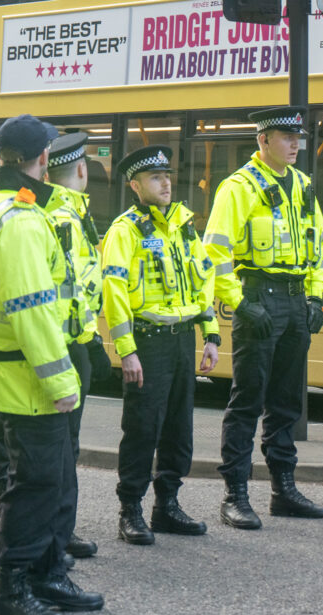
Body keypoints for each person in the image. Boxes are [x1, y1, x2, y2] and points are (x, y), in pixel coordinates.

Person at [0, 114, 102, 615]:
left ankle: (46, 573)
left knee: (45, 477)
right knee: (37, 485)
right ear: (44, 159)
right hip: (30, 379)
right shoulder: (22, 219)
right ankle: (14, 588)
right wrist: (62, 381)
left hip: (12, 373)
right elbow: (31, 310)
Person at [204, 107, 323, 529]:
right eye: (285, 137)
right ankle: (235, 495)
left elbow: (318, 245)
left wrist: (314, 298)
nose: (295, 144)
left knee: (287, 403)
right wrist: (240, 303)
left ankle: (283, 490)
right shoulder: (237, 188)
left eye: (298, 137)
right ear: (263, 141)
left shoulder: (303, 185)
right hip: (259, 298)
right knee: (247, 401)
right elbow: (215, 252)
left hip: (295, 301)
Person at [102, 145, 219, 545]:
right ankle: (130, 509)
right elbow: (114, 292)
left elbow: (203, 282)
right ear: (136, 186)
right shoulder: (125, 230)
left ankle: (167, 505)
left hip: (183, 339)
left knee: (178, 429)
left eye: (167, 175)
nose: (166, 182)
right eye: (156, 178)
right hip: (148, 343)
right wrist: (127, 349)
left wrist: (212, 334)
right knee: (141, 428)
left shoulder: (185, 226)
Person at [44, 131, 110, 559]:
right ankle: (57, 535)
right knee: (62, 447)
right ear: (82, 170)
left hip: (73, 344)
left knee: (64, 446)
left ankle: (60, 532)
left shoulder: (66, 214)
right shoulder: (65, 219)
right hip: (65, 348)